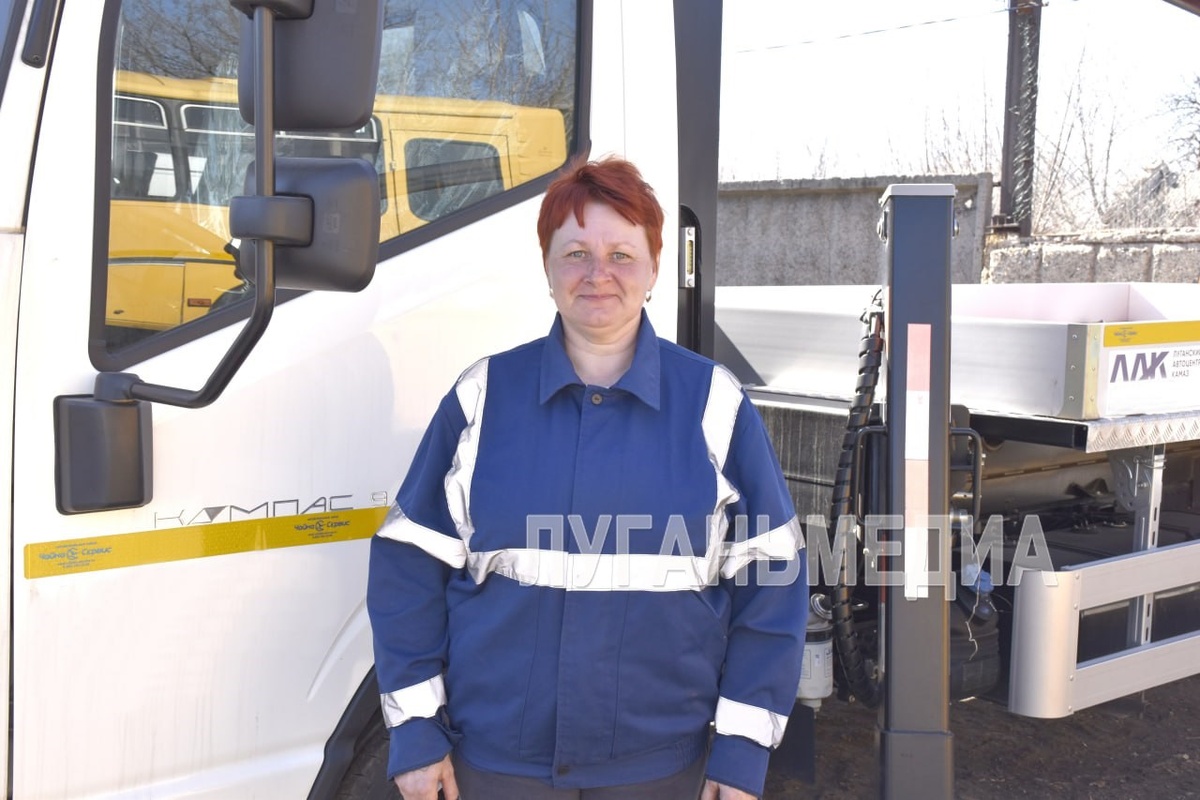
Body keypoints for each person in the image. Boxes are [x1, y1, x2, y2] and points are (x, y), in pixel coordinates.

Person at [367, 155, 808, 799]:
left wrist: (741, 752)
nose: (598, 273)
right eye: (575, 253)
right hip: (494, 765)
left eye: (621, 255)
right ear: (547, 268)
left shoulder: (714, 403)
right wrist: (415, 732)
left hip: (658, 769)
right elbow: (408, 567)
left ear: (654, 268)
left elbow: (771, 577)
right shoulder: (484, 397)